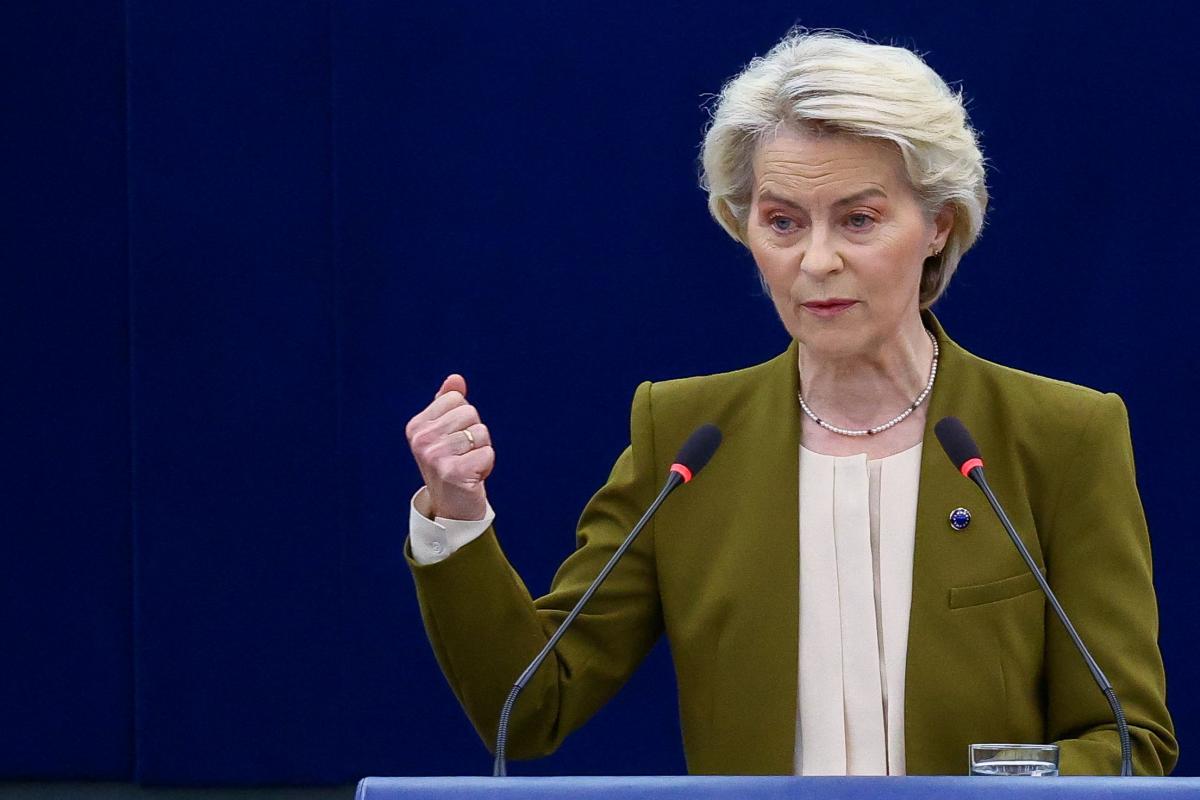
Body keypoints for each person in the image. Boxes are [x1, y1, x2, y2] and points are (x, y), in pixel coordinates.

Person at [402, 29, 1177, 775]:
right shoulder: (684, 438)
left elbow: (1124, 742)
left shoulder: (1061, 436)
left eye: (859, 219)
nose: (816, 260)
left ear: (938, 224)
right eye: (781, 221)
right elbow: (533, 705)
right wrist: (456, 513)